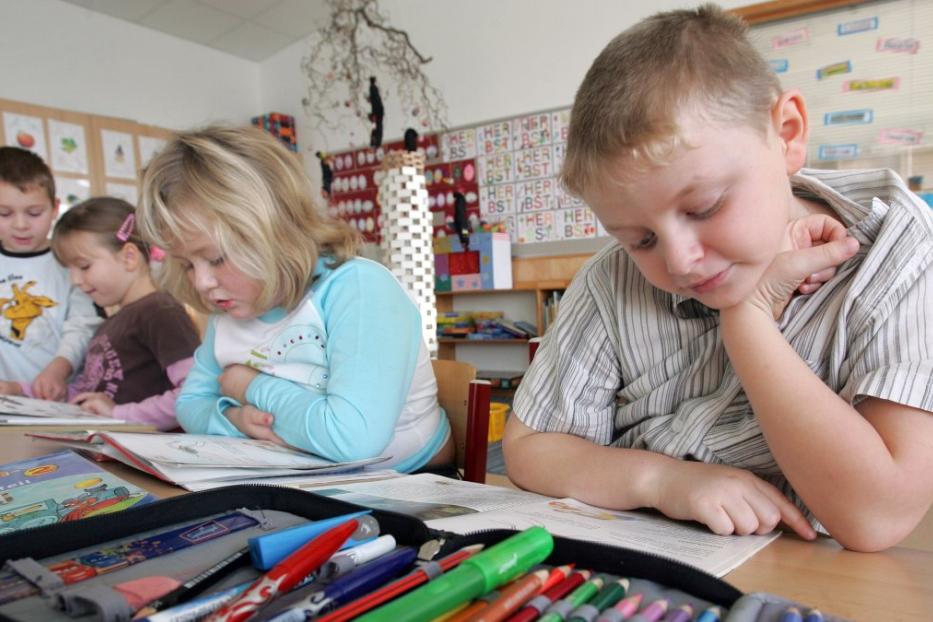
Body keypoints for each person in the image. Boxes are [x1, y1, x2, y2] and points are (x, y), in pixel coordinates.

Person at [503, 4, 933, 552]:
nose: (680, 262)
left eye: (705, 207)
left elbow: (878, 518)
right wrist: (662, 480)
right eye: (641, 240)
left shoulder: (900, 254)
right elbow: (530, 446)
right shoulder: (611, 279)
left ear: (787, 135)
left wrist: (748, 322)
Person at [136, 125, 453, 472]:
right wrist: (236, 419)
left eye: (216, 259)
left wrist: (248, 385)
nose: (202, 283)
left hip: (410, 479)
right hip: (309, 474)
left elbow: (352, 442)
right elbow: (191, 404)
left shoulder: (358, 288)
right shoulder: (229, 306)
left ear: (277, 232)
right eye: (185, 265)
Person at [0, 197, 200, 430]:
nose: (75, 280)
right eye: (70, 270)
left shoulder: (160, 312)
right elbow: (88, 394)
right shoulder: (110, 323)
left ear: (129, 257)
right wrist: (19, 390)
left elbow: (194, 393)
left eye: (84, 267)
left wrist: (119, 414)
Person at [0, 147, 101, 400]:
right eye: (4, 213)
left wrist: (59, 367)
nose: (21, 225)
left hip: (57, 400)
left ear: (55, 208)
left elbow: (82, 326)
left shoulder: (69, 261)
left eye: (34, 213)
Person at [369, 76, 385, 148]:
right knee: (375, 101)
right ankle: (375, 143)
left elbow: (373, 128)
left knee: (375, 102)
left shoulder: (374, 89)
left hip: (377, 117)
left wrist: (373, 119)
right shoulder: (373, 89)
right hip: (377, 117)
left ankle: (375, 143)